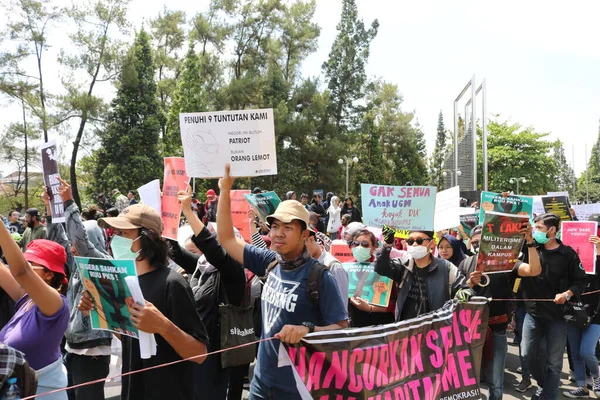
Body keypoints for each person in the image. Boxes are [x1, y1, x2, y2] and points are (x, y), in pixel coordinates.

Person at [216, 164, 348, 399]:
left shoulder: (321, 276)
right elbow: (226, 238)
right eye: (275, 226)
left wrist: (307, 329)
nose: (278, 233)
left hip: (298, 390)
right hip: (260, 383)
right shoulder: (269, 261)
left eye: (288, 228)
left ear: (305, 235)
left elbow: (341, 330)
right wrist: (225, 191)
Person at [79, 204, 209, 400]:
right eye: (116, 232)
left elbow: (200, 354)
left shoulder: (172, 283)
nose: (116, 239)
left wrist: (163, 326)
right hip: (133, 389)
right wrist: (98, 310)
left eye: (124, 233)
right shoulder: (123, 283)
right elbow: (131, 338)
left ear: (147, 238)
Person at [170, 185, 247, 400]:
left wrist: (189, 211)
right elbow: (174, 251)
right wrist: (168, 213)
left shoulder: (232, 271)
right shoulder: (204, 265)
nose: (207, 242)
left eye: (216, 238)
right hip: (191, 348)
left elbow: (214, 250)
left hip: (213, 357)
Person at [47, 179, 113, 400]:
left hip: (92, 354)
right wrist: (51, 209)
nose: (72, 246)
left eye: (79, 241)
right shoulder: (76, 262)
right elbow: (59, 240)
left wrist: (68, 203)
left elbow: (79, 241)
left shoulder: (101, 263)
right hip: (72, 349)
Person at [459, 224, 542, 400]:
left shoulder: (506, 262)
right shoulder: (466, 263)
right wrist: (469, 284)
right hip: (469, 332)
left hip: (497, 330)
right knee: (467, 381)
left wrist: (530, 242)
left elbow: (534, 270)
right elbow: (457, 297)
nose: (478, 245)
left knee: (495, 382)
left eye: (482, 241)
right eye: (474, 242)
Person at [520, 213, 588, 400]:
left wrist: (567, 294)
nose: (536, 231)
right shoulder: (530, 249)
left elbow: (580, 281)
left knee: (554, 361)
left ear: (552, 230)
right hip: (532, 313)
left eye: (540, 228)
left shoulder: (568, 254)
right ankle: (545, 386)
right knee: (527, 354)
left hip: (558, 317)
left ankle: (548, 395)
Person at [0, 225, 70, 399]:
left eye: (31, 264)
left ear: (48, 274)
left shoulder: (56, 305)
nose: (24, 265)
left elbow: (21, 271)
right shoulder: (27, 298)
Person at [375, 230, 472, 322]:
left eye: (419, 241)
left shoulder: (447, 268)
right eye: (410, 241)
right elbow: (381, 267)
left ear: (432, 243)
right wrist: (386, 245)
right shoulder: (404, 264)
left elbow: (465, 289)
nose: (414, 244)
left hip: (435, 331)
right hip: (406, 330)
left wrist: (463, 294)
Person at [562, 234, 600, 398]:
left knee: (586, 352)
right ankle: (582, 386)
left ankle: (597, 378)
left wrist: (598, 251)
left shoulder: (595, 265)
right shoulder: (569, 268)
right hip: (573, 313)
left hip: (595, 315)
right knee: (576, 353)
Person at [347, 229, 396, 327]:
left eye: (365, 244)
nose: (359, 247)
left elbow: (393, 304)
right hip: (353, 323)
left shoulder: (384, 269)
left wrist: (371, 308)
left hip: (379, 324)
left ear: (373, 248)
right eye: (356, 243)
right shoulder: (345, 268)